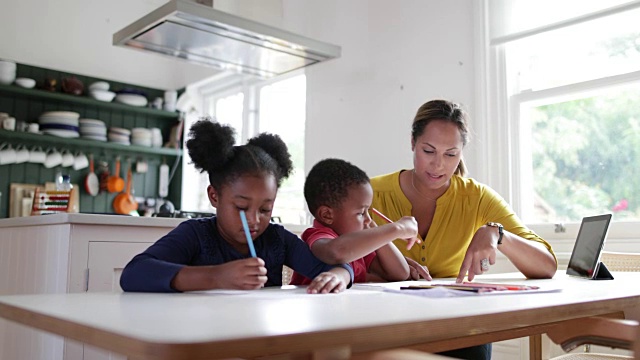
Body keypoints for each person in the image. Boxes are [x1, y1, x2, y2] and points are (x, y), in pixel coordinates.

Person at [370, 99, 558, 360]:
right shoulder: (370, 194)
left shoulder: (476, 196)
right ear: (412, 143)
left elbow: (547, 265)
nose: (439, 165)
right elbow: (330, 256)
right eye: (428, 151)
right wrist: (385, 269)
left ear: (461, 153)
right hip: (383, 324)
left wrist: (498, 234)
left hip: (460, 330)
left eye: (450, 154)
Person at [120, 120, 353, 294]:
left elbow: (334, 268)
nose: (254, 220)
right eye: (242, 207)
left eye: (265, 209)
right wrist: (217, 277)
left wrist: (339, 276)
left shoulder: (277, 239)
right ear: (214, 196)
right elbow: (133, 274)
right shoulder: (195, 235)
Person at [290, 158, 419, 285]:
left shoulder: (359, 247)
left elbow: (400, 273)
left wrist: (372, 227)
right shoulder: (318, 236)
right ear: (327, 215)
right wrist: (398, 228)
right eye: (361, 213)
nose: (368, 219)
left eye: (368, 211)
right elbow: (336, 251)